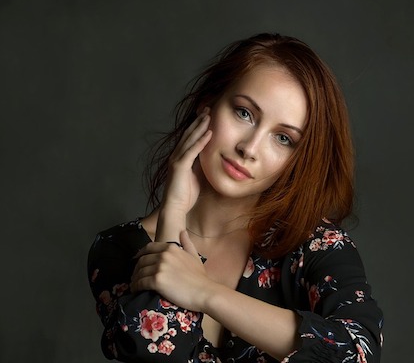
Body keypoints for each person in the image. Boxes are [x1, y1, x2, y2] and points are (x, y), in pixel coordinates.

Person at [88, 33, 383, 363]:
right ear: (208, 105)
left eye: (283, 138)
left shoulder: (314, 245)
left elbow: (357, 353)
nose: (250, 148)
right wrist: (174, 212)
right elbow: (152, 351)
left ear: (297, 160)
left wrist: (206, 293)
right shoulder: (119, 249)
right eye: (244, 113)